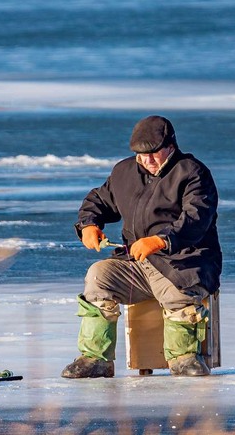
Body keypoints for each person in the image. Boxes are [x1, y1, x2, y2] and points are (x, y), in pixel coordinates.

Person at [62, 115, 222, 378]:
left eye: (153, 153)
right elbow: (98, 201)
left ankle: (183, 357)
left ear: (170, 146)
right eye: (140, 154)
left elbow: (196, 218)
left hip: (184, 261)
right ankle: (96, 359)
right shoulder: (124, 172)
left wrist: (161, 240)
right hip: (135, 264)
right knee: (99, 277)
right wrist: (88, 225)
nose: (147, 160)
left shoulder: (193, 173)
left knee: (177, 291)